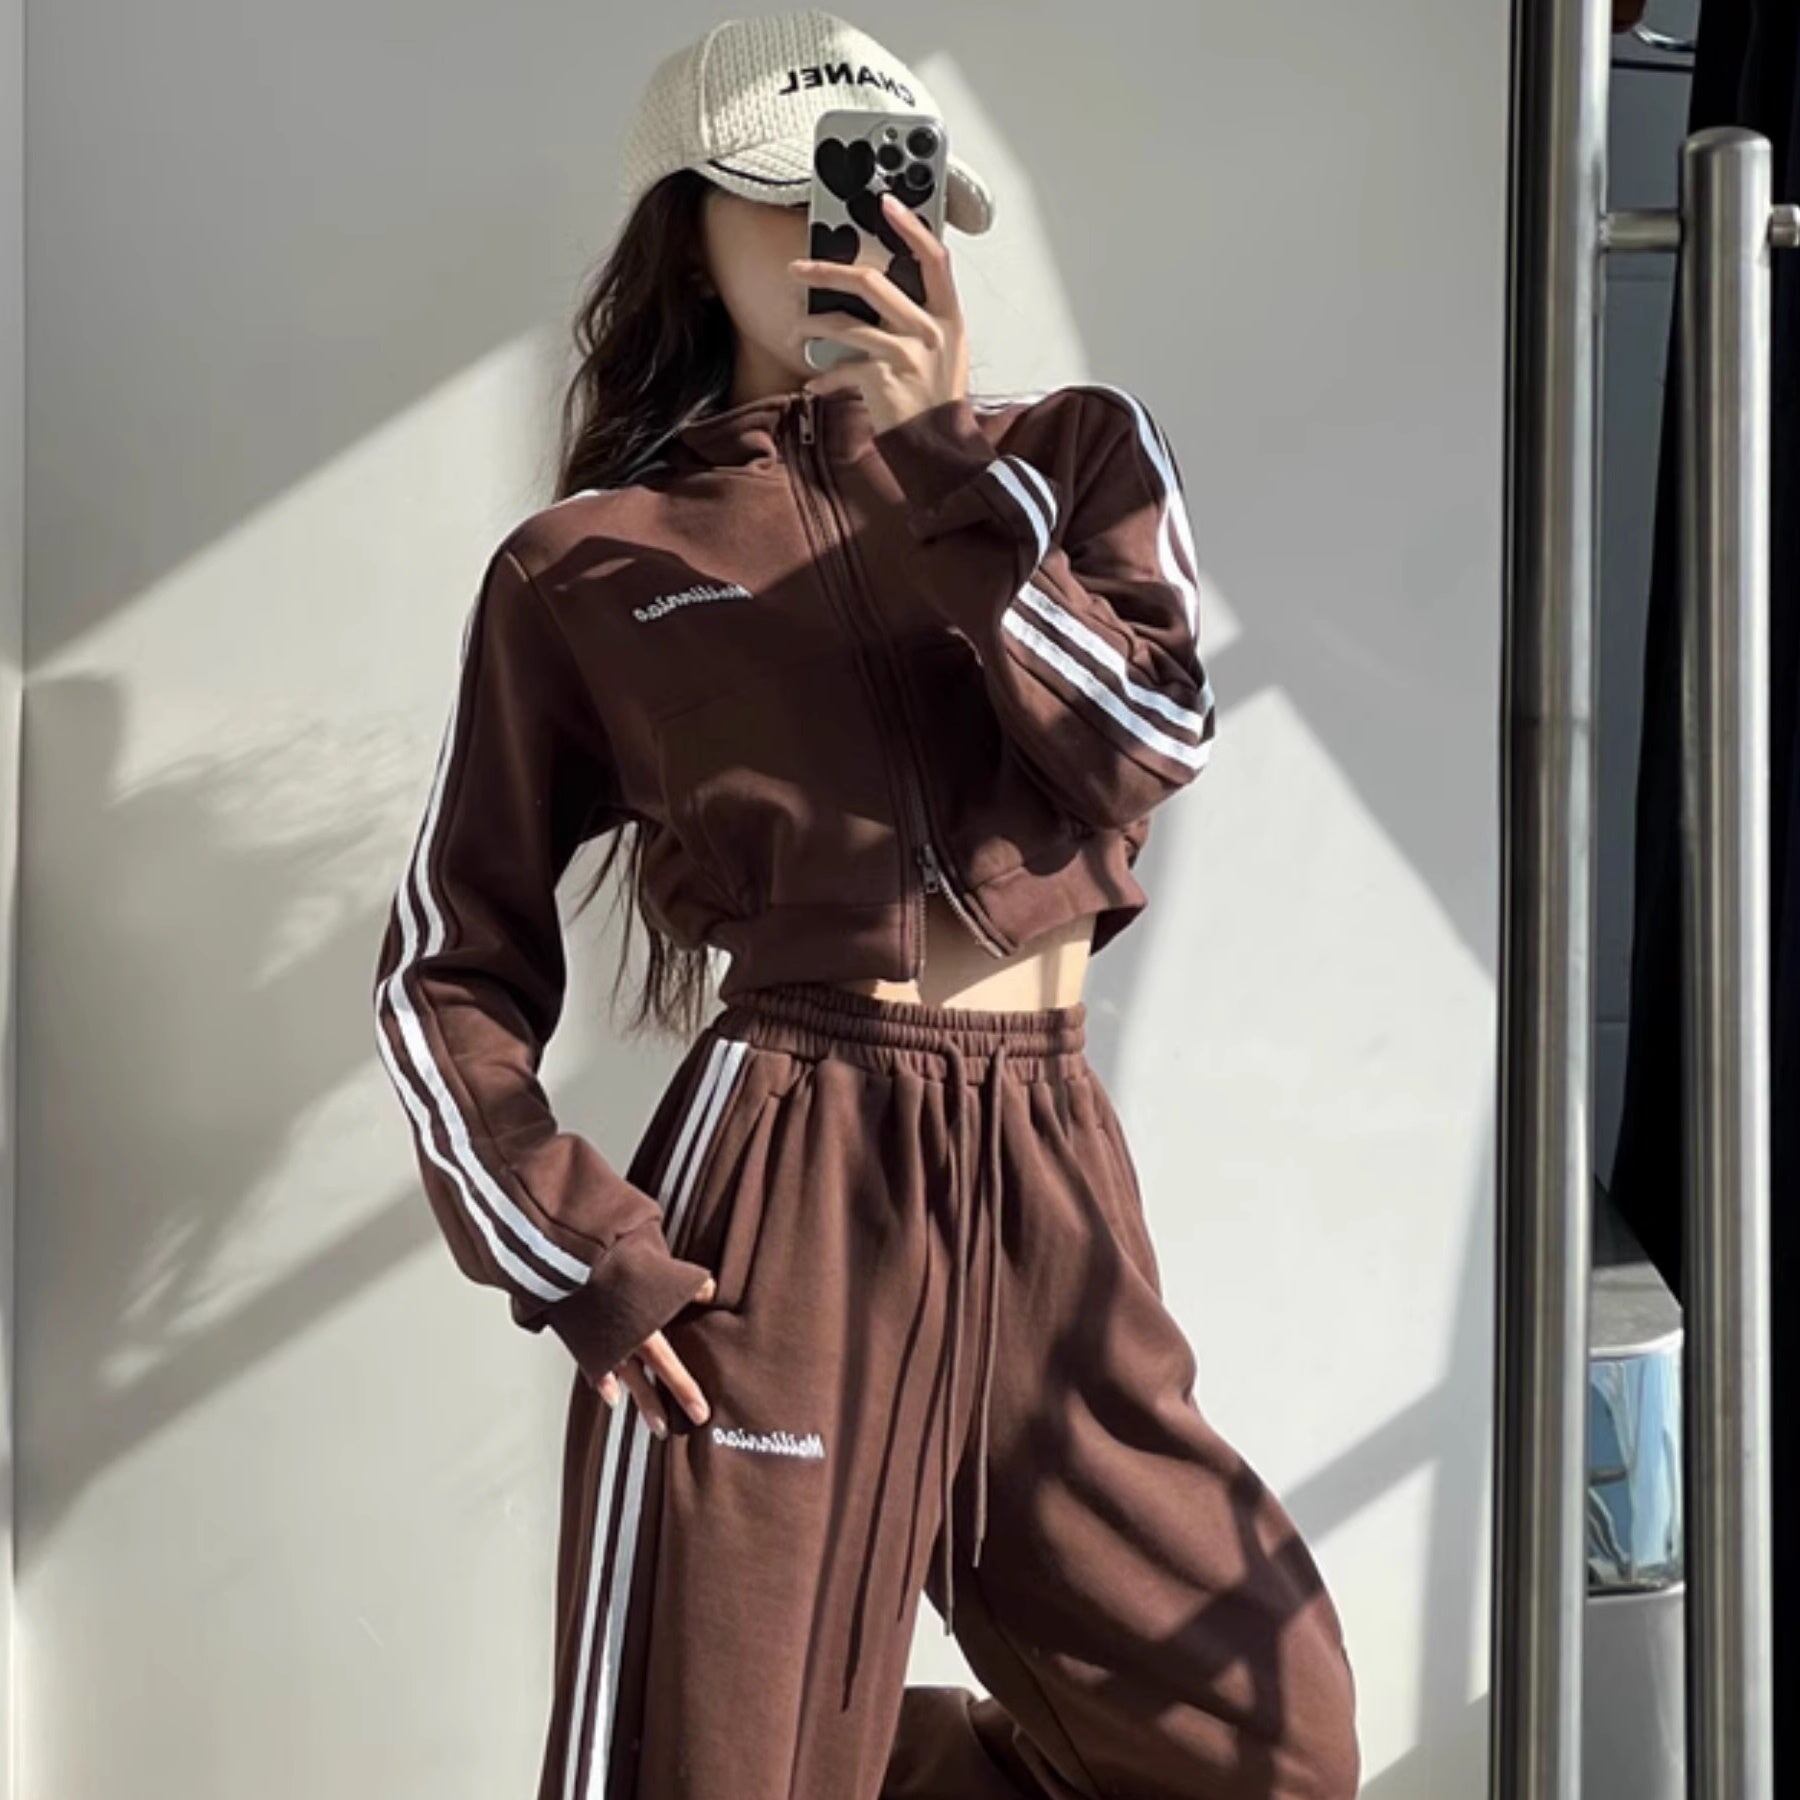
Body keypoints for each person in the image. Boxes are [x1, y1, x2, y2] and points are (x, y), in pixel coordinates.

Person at [370, 9, 1360, 1796]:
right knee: (722, 1758)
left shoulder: (1070, 451)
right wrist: (583, 1256)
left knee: (1262, 1741)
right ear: (688, 230)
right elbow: (447, 956)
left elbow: (1143, 745)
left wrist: (939, 471)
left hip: (1047, 1166)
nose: (853, 238)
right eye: (796, 195)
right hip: (791, 1174)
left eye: (884, 199)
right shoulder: (590, 563)